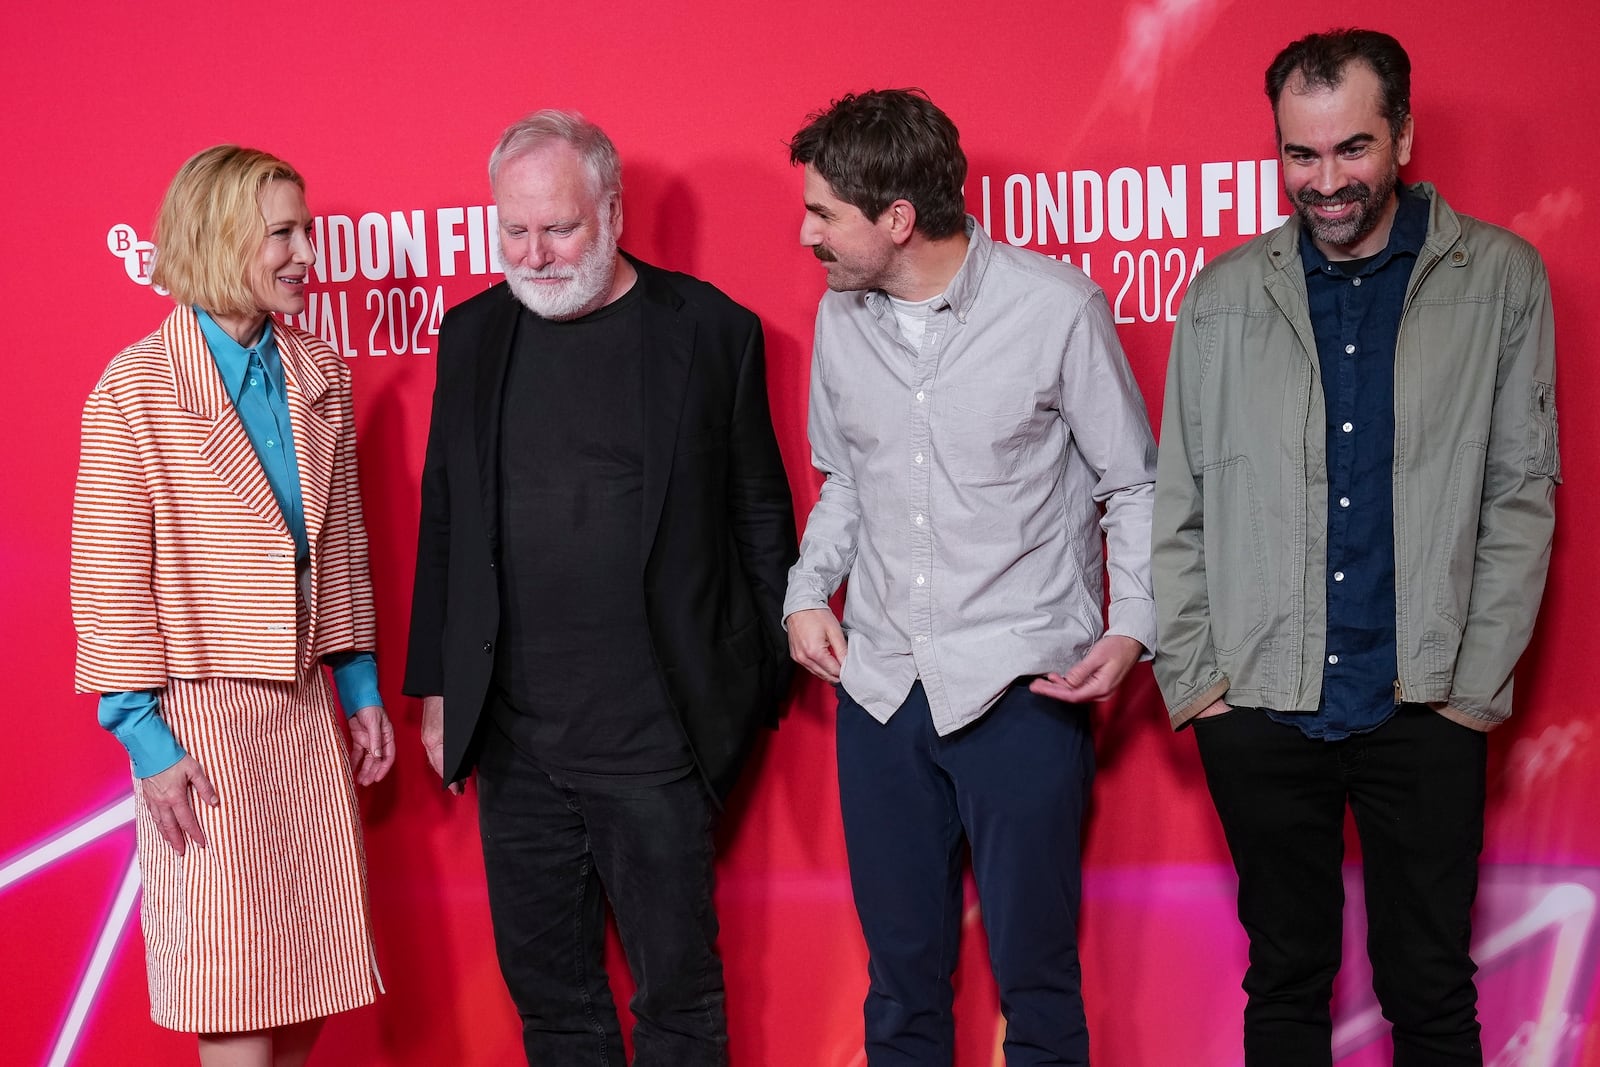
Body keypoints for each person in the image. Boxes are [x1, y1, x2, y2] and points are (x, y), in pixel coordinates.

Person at [1152, 29, 1560, 1065]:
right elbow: (1179, 499)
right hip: (1260, 705)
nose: (1325, 180)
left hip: (1421, 701)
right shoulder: (1221, 294)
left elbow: (1520, 493)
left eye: (1350, 149)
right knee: (1283, 978)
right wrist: (1201, 683)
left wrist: (1470, 691)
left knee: (1426, 984)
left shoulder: (1502, 278)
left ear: (1404, 137)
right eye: (1300, 153)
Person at [403, 110, 795, 1066]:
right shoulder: (475, 333)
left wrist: (757, 681)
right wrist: (439, 685)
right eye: (514, 231)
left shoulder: (710, 331)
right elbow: (444, 514)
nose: (534, 254)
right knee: (553, 1002)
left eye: (559, 228)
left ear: (612, 211)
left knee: (677, 1001)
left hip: (658, 739)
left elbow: (758, 515)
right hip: (515, 740)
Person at [784, 89, 1157, 1066]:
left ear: (896, 219)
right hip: (881, 693)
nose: (805, 230)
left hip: (1020, 689)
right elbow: (844, 485)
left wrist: (1131, 630)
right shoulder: (838, 320)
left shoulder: (1054, 309)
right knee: (900, 985)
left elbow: (1134, 484)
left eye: (824, 211)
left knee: (1036, 981)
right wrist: (802, 592)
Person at [71, 145, 394, 1066]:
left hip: (300, 709)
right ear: (220, 239)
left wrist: (359, 681)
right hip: (197, 716)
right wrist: (144, 737)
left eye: (306, 231)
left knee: (311, 976)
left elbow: (340, 548)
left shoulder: (318, 372)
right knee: (236, 987)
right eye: (283, 234)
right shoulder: (134, 388)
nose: (305, 255)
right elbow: (108, 578)